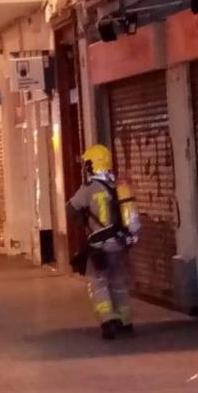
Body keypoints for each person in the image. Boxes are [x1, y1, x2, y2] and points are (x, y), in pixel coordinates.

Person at [67, 144, 141, 341]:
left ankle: (108, 320)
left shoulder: (88, 189)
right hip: (119, 245)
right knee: (119, 283)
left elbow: (71, 209)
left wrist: (84, 220)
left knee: (98, 283)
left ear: (91, 165)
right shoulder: (118, 186)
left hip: (99, 248)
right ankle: (125, 320)